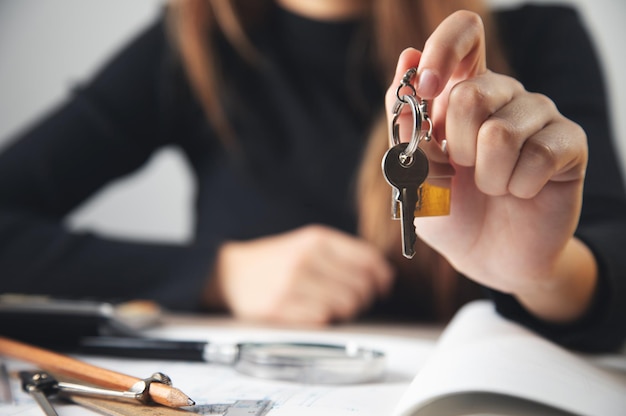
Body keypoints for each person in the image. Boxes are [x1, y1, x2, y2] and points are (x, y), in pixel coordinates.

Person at [0, 0, 624, 352]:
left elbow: (612, 259)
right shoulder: (192, 46)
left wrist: (544, 273)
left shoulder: (538, 39)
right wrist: (218, 273)